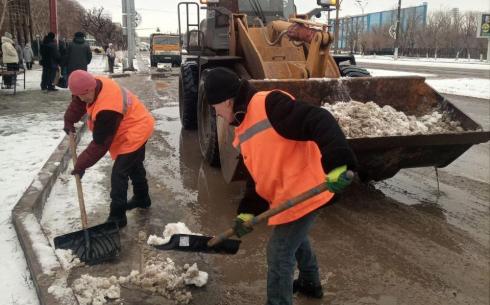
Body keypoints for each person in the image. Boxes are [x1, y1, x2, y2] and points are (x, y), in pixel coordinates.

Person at [203, 67, 358, 305]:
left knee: (278, 251)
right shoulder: (243, 128)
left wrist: (338, 162)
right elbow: (258, 176)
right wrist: (248, 211)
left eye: (215, 108)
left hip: (308, 189)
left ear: (226, 101)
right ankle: (310, 284)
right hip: (287, 197)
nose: (217, 115)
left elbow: (320, 119)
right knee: (296, 240)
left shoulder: (270, 104)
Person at [63, 70, 155, 227]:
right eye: (80, 95)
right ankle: (142, 198)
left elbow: (100, 144)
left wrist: (81, 163)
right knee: (134, 165)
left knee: (119, 173)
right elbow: (79, 102)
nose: (84, 98)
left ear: (92, 86)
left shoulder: (107, 108)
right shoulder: (92, 83)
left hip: (136, 127)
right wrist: (69, 120)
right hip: (127, 123)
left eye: (86, 94)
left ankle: (117, 217)